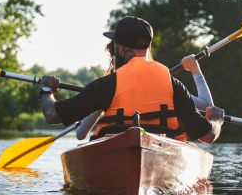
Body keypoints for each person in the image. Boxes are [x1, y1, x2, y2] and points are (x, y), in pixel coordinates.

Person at [38, 16, 224, 143]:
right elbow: (208, 136)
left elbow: (52, 114)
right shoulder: (173, 85)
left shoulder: (106, 85)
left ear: (120, 48)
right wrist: (217, 121)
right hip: (162, 151)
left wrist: (46, 90)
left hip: (112, 153)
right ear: (148, 47)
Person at [74, 42, 214, 140]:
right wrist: (195, 69)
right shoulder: (166, 85)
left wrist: (97, 108)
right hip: (162, 145)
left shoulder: (107, 88)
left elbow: (80, 134)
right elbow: (208, 106)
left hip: (113, 149)